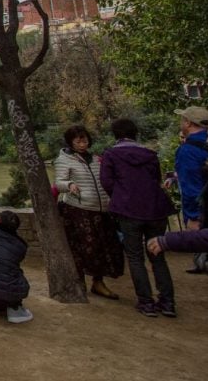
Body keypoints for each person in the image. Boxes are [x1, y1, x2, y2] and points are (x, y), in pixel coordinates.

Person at [100, 117, 177, 317]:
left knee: (135, 257)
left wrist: (121, 198)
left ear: (115, 134)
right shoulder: (150, 154)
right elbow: (156, 179)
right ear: (136, 133)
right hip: (155, 208)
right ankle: (167, 302)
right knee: (158, 256)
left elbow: (106, 182)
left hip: (129, 210)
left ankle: (146, 302)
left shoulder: (111, 155)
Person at [53, 125, 124, 299]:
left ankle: (98, 282)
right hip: (79, 210)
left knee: (103, 247)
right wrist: (69, 185)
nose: (82, 143)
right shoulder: (64, 160)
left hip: (101, 209)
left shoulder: (96, 159)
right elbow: (59, 182)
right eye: (78, 140)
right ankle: (78, 283)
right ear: (71, 142)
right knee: (83, 247)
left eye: (84, 139)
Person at [173, 106, 208, 231]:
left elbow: (191, 187)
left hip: (206, 218)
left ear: (188, 123)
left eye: (182, 120)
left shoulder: (188, 151)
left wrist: (194, 217)